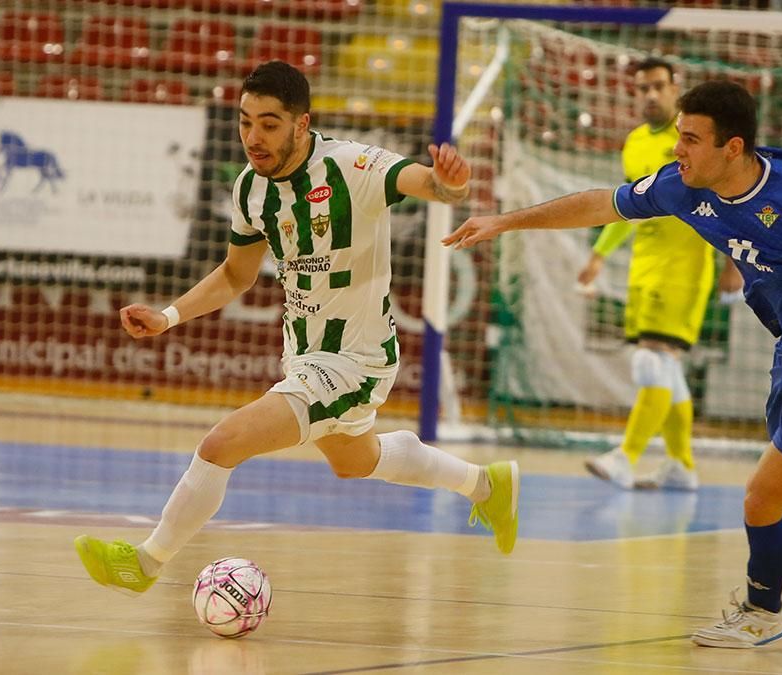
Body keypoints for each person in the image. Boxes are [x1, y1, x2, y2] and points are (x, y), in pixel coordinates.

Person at [445, 79, 782, 648]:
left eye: (689, 138)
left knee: (763, 497)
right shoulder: (681, 188)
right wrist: (504, 221)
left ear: (732, 147)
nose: (676, 149)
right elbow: (601, 203)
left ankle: (764, 613)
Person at [74, 61, 520, 595]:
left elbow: (434, 188)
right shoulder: (249, 190)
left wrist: (454, 182)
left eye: (268, 124)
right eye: (244, 123)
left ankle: (145, 562)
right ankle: (485, 485)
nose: (252, 138)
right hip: (303, 352)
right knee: (356, 460)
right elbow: (236, 274)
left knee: (222, 444)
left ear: (301, 124)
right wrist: (168, 316)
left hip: (356, 359)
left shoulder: (353, 165)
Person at [577, 57, 742, 492]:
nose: (650, 95)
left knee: (652, 359)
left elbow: (730, 195)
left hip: (684, 264)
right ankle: (681, 465)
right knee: (665, 365)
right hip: (644, 263)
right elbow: (625, 204)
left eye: (657, 86)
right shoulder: (633, 143)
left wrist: (733, 262)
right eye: (642, 88)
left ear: (675, 88)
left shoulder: (694, 138)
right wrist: (598, 254)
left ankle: (626, 458)